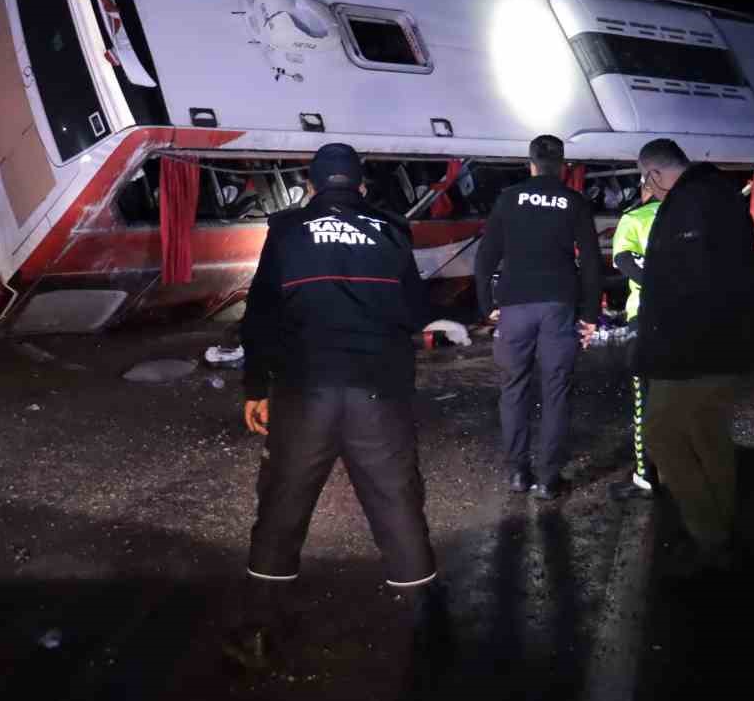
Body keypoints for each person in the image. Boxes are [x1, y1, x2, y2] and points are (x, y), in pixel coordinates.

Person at [227, 143, 446, 668]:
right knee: (397, 503)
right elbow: (415, 311)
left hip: (306, 392)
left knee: (282, 505)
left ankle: (260, 633)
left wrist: (256, 387)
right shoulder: (391, 230)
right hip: (378, 391)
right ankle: (429, 637)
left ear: (312, 185)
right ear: (361, 185)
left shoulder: (285, 232)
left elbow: (261, 318)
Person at [633, 139, 754, 573]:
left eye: (646, 180)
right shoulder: (717, 196)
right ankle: (720, 527)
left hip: (689, 350)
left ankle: (708, 535)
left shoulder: (689, 206)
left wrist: (657, 346)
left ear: (655, 174)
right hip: (723, 344)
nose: (648, 189)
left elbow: (687, 284)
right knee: (708, 433)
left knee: (661, 433)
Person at [474, 135, 601, 500]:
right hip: (558, 305)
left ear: (529, 163)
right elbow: (590, 262)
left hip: (515, 304)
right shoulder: (574, 202)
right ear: (563, 165)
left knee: (513, 387)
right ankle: (547, 479)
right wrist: (590, 315)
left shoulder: (509, 199)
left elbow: (485, 257)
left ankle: (517, 473)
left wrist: (487, 305)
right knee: (556, 389)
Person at [607, 180, 661, 502]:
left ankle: (646, 477)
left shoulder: (634, 219)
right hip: (690, 319)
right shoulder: (691, 215)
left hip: (646, 317)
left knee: (645, 400)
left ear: (647, 185)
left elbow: (625, 261)